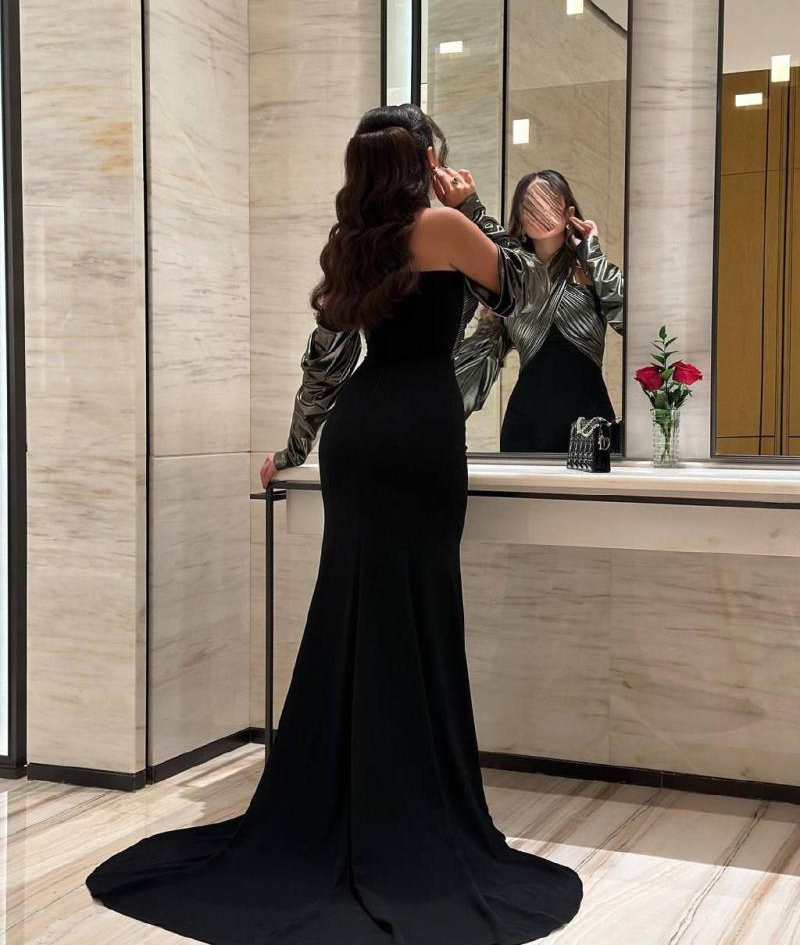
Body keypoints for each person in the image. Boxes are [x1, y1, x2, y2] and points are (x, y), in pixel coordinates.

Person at [85, 104, 583, 944]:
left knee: (353, 616)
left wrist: (292, 447)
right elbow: (533, 296)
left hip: (359, 438)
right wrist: (472, 207)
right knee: (417, 618)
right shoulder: (442, 226)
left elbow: (327, 359)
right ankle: (409, 808)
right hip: (419, 436)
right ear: (426, 159)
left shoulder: (352, 241)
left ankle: (340, 794)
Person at [452, 169, 624, 453]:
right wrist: (436, 419)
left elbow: (632, 321)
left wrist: (592, 252)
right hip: (526, 428)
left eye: (550, 200)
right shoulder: (510, 286)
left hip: (590, 427)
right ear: (519, 218)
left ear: (569, 211)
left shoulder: (590, 273)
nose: (541, 209)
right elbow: (478, 360)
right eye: (530, 204)